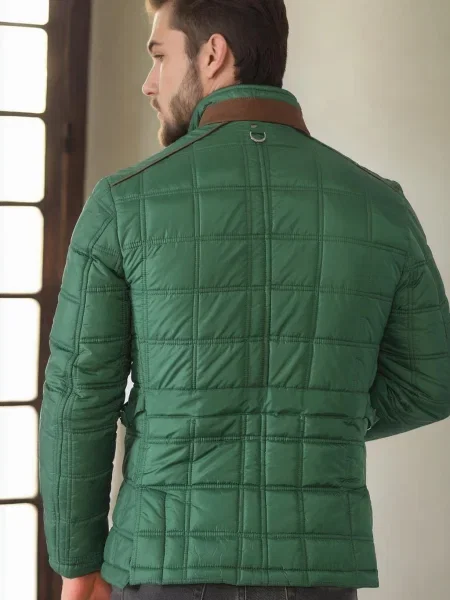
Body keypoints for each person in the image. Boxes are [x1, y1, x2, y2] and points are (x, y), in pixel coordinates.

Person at [39, 1, 450, 599]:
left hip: (160, 569)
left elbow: (79, 398)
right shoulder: (381, 206)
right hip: (318, 573)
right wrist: (313, 424)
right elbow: (431, 383)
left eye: (160, 57)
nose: (149, 83)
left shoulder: (124, 203)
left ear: (213, 54)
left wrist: (77, 568)